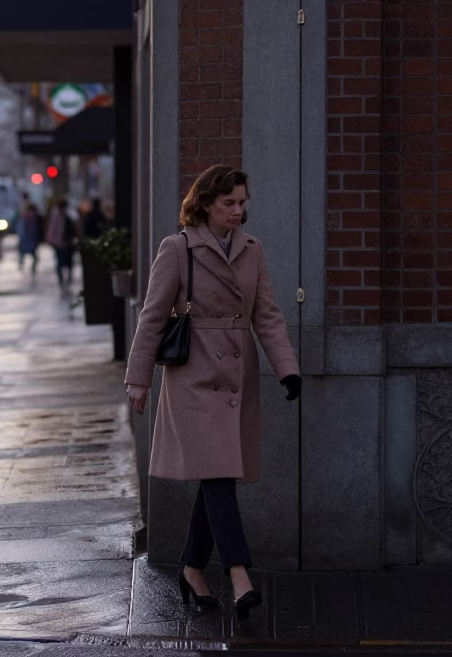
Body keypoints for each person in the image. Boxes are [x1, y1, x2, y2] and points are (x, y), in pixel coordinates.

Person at [124, 165, 301, 621]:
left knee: (215, 477)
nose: (239, 211)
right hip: (194, 379)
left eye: (243, 203)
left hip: (237, 378)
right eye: (229, 203)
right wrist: (138, 379)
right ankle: (240, 575)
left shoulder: (253, 251)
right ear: (206, 203)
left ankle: (191, 568)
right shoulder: (178, 248)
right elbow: (152, 317)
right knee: (220, 479)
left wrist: (287, 369)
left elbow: (268, 315)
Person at [45, 198, 77, 289]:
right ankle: (62, 279)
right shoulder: (57, 216)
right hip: (59, 242)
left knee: (67, 261)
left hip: (66, 242)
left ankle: (66, 279)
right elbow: (52, 229)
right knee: (60, 261)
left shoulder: (68, 215)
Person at [17, 202, 42, 274]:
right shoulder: (24, 217)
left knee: (34, 256)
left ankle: (32, 269)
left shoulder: (35, 218)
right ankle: (21, 267)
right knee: (22, 255)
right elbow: (20, 229)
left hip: (32, 240)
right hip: (25, 239)